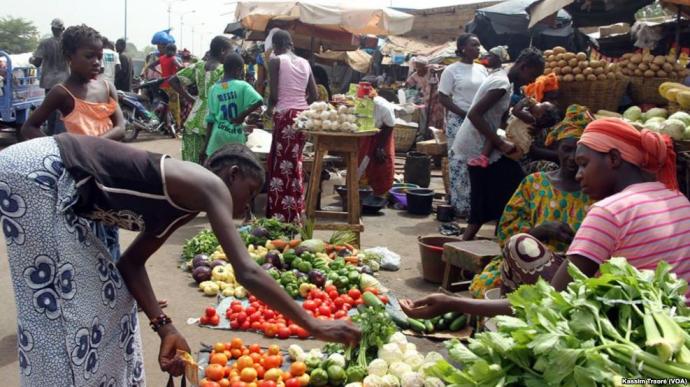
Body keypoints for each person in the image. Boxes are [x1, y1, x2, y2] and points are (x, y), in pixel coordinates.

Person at [0, 134, 361, 386]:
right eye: (250, 193)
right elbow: (247, 271)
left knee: (113, 301)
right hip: (37, 174)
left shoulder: (182, 206)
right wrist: (312, 324)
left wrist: (165, 327)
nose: (246, 207)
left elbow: (131, 264)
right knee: (55, 311)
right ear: (232, 175)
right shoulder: (210, 185)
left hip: (55, 182)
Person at [401, 118, 690, 319]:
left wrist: (453, 303)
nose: (578, 174)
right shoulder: (676, 198)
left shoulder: (610, 211)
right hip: (672, 320)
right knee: (518, 245)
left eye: (584, 164)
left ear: (613, 159)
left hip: (628, 330)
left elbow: (552, 302)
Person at [469, 110, 592, 298]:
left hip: (573, 272)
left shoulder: (594, 190)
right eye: (567, 149)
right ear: (556, 149)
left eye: (580, 151)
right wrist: (542, 231)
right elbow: (507, 236)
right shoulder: (534, 184)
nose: (573, 157)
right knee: (487, 287)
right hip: (525, 260)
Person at [455, 48, 546, 241]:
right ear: (523, 66)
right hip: (476, 145)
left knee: (496, 193)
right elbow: (474, 114)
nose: (532, 81)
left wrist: (501, 140)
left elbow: (500, 118)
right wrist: (500, 143)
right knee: (511, 186)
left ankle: (496, 234)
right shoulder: (502, 84)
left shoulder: (506, 81)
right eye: (532, 75)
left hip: (485, 147)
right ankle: (475, 241)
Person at [22, 25, 124, 141]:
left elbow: (120, 128)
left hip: (106, 157)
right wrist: (60, 149)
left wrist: (93, 145)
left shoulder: (107, 88)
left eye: (99, 57)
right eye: (89, 56)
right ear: (69, 56)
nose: (97, 62)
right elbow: (29, 127)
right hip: (80, 158)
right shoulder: (62, 92)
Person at [266, 29, 318, 223]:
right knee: (296, 163)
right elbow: (314, 96)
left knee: (282, 167)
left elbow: (273, 95)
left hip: (285, 115)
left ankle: (282, 215)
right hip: (302, 116)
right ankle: (297, 209)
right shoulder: (305, 63)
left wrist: (269, 109)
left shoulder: (276, 61)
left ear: (277, 45)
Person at [438, 34, 488, 217]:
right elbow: (443, 97)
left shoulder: (483, 70)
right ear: (463, 48)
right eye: (473, 45)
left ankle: (474, 206)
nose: (478, 48)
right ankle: (460, 207)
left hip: (478, 122)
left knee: (475, 162)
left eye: (478, 45)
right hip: (459, 121)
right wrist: (465, 113)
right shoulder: (451, 70)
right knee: (458, 163)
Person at [169, 36, 234, 163]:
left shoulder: (198, 66)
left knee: (193, 164)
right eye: (229, 52)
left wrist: (191, 98)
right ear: (222, 51)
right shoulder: (223, 70)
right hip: (215, 122)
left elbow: (173, 80)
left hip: (193, 121)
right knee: (213, 163)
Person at [202, 53, 264, 163]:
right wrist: (242, 115)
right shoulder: (242, 85)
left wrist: (204, 148)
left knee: (217, 166)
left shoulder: (213, 89)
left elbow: (210, 120)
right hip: (235, 134)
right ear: (238, 70)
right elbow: (259, 100)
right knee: (235, 164)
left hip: (218, 136)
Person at [468, 99, 561, 167]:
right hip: (518, 151)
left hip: (513, 145)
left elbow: (515, 111)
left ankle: (483, 158)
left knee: (492, 137)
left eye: (541, 104)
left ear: (539, 115)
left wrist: (523, 102)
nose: (537, 102)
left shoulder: (530, 118)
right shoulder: (538, 126)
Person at [30, 18, 70, 135]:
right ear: (63, 29)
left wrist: (31, 59)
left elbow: (37, 62)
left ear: (52, 28)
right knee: (63, 110)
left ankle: (52, 135)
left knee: (51, 110)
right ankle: (61, 135)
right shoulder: (68, 44)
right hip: (65, 82)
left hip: (50, 82)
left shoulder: (45, 43)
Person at [358, 96, 398, 196]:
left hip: (383, 133)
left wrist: (380, 147)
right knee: (361, 160)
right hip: (365, 133)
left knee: (383, 161)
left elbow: (390, 125)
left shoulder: (383, 107)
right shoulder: (356, 104)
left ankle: (381, 192)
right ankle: (358, 189)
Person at [144, 43, 183, 130]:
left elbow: (150, 66)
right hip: (172, 87)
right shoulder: (173, 58)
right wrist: (177, 72)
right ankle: (177, 127)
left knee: (164, 107)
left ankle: (165, 126)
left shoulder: (161, 58)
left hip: (163, 86)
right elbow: (180, 67)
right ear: (174, 51)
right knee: (174, 107)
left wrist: (160, 72)